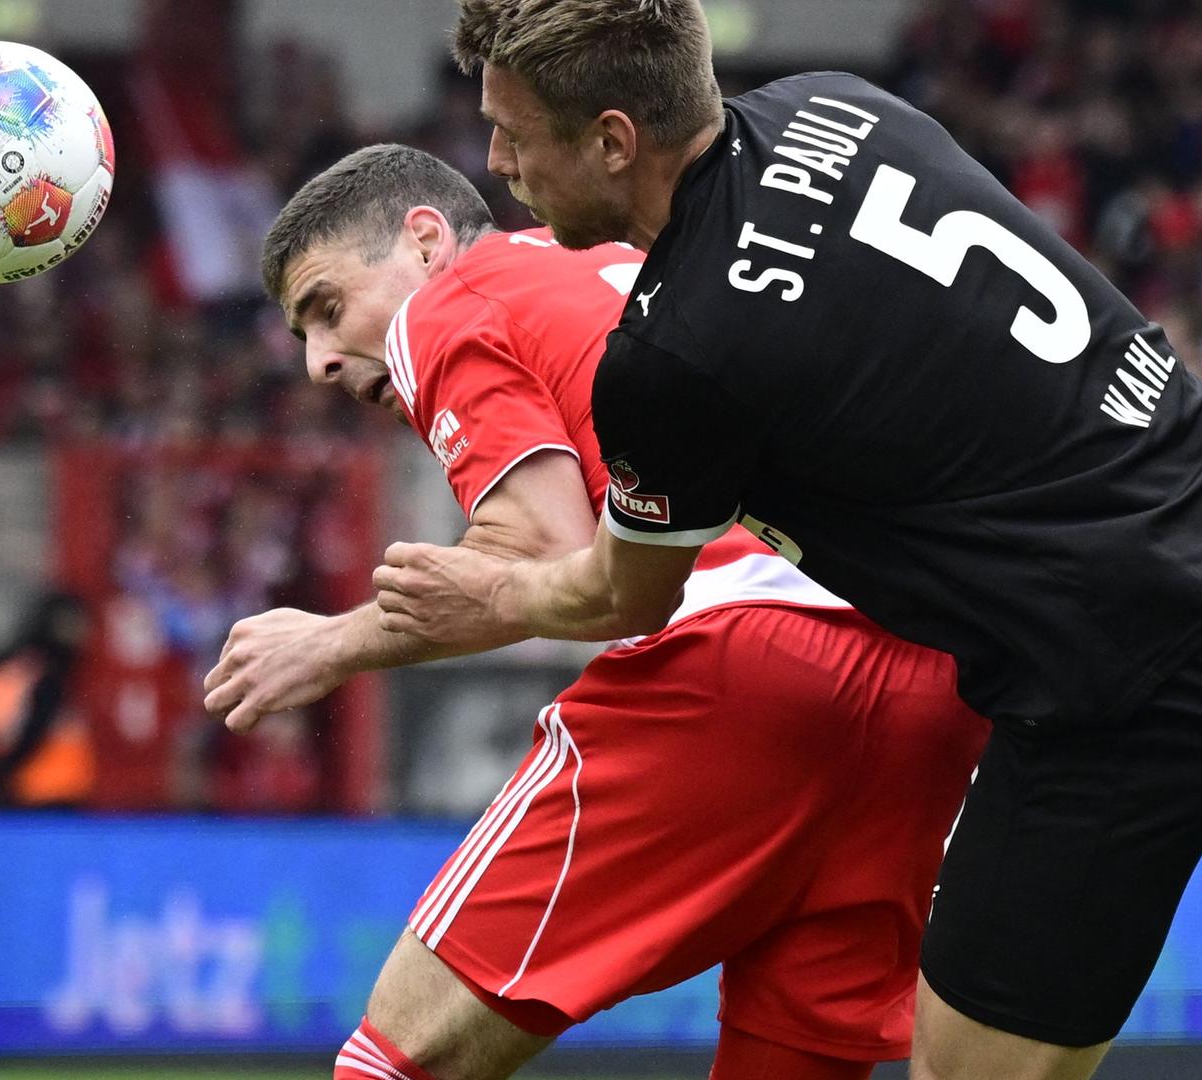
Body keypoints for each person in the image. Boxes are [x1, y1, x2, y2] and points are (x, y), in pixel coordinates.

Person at [370, 5, 1202, 1079]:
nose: (495, 162)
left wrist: (492, 604)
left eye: (514, 132)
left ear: (614, 141)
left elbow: (627, 598)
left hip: (1148, 664)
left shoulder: (676, 355)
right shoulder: (835, 105)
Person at [205, 143, 988, 1080]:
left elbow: (537, 551)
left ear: (424, 241)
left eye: (326, 311)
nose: (320, 362)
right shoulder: (641, 262)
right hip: (929, 676)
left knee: (397, 1063)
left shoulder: (456, 299)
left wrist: (329, 643)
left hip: (744, 663)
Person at [0, 591, 97, 809]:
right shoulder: (47, 674)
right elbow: (32, 733)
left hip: (15, 789)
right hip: (46, 791)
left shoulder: (5, 668)